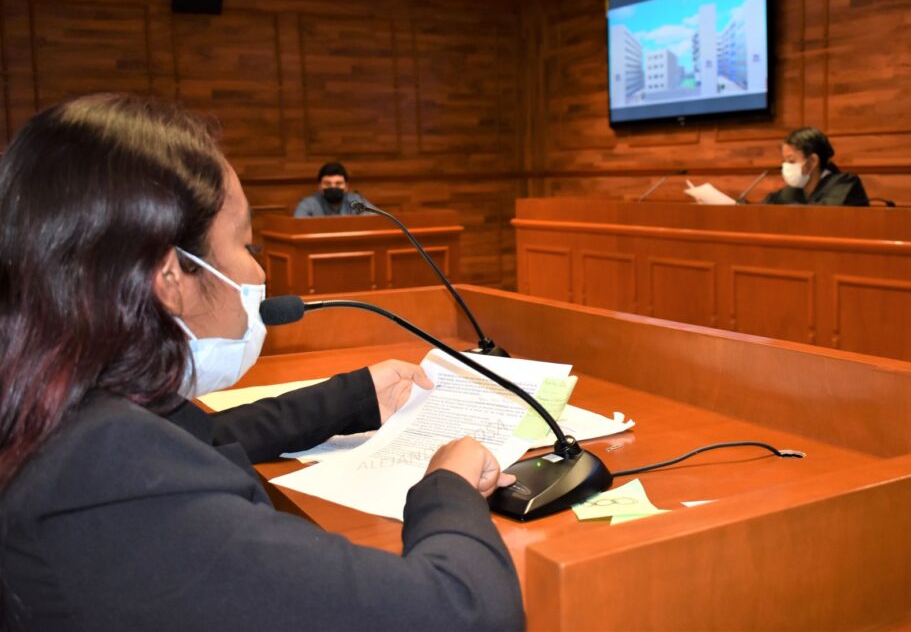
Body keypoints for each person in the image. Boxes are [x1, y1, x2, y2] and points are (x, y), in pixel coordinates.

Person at [0, 95, 524, 631]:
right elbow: (465, 612)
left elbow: (198, 433)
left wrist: (354, 397)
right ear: (171, 278)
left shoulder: (55, 402)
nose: (256, 271)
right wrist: (446, 487)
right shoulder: (111, 480)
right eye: (247, 245)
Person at [763, 127, 869, 206]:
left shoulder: (845, 184)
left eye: (791, 161)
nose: (785, 167)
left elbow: (821, 216)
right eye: (784, 161)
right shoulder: (792, 191)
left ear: (813, 161)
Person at [293, 161, 374, 216]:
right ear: (320, 186)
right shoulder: (308, 204)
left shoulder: (356, 201)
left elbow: (376, 220)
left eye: (338, 183)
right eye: (327, 183)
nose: (333, 187)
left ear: (346, 186)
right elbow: (298, 228)